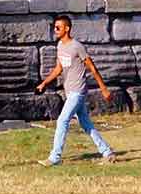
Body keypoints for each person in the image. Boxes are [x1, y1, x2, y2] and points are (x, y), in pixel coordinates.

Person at [37, 14, 115, 164]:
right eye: (54, 27)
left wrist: (104, 89)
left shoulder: (77, 46)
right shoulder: (60, 46)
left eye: (58, 27)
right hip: (69, 91)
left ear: (67, 29)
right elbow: (58, 68)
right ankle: (107, 152)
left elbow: (92, 68)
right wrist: (44, 83)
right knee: (86, 124)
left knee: (62, 121)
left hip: (78, 91)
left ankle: (55, 158)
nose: (55, 30)